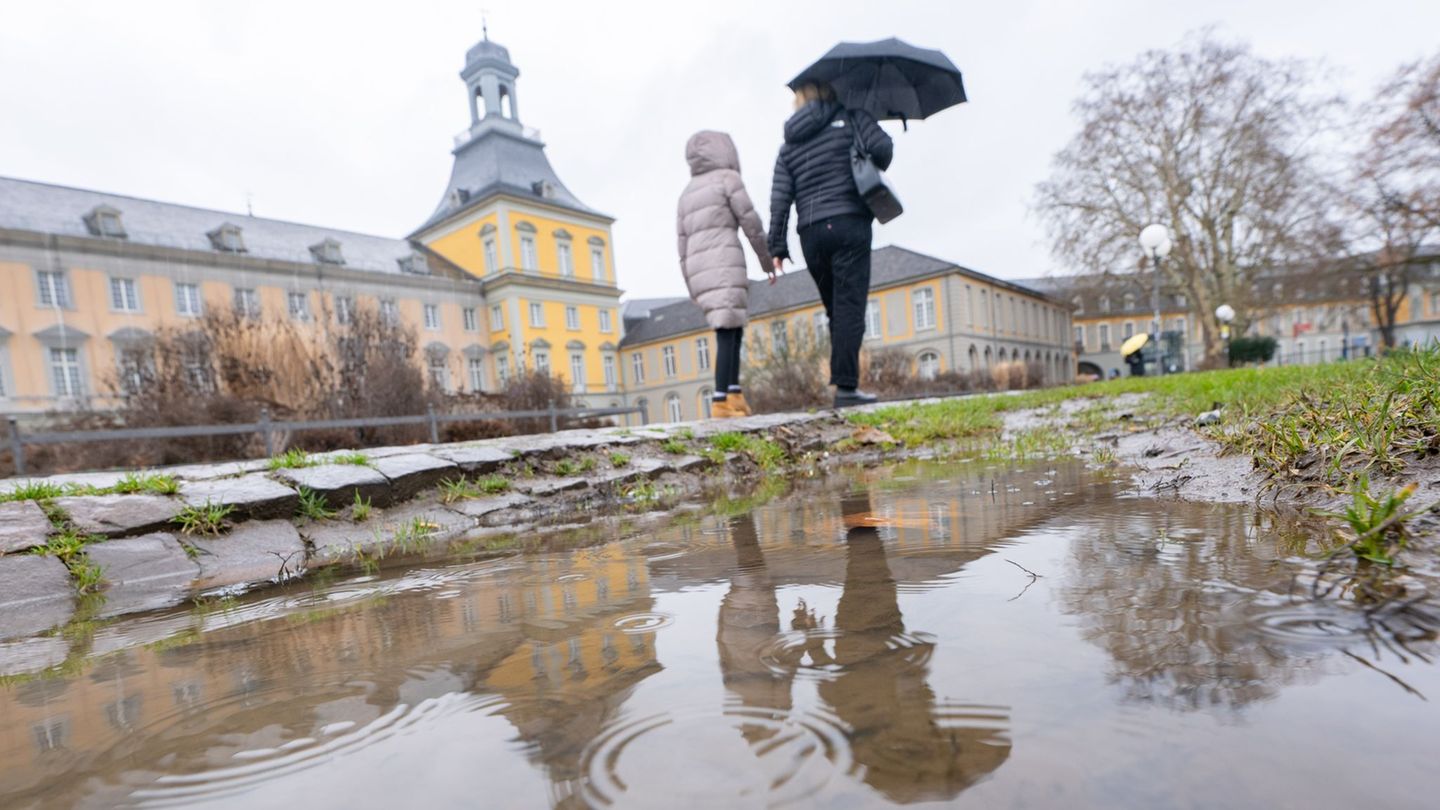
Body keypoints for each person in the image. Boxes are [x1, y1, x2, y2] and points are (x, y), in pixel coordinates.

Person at [768, 81, 894, 408]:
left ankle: (844, 384)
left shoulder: (788, 146)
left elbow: (780, 197)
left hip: (811, 234)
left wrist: (776, 247)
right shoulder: (852, 118)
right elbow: (882, 151)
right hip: (848, 222)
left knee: (835, 310)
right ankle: (846, 389)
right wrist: (866, 127)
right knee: (849, 307)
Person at [677, 130, 772, 418]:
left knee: (732, 324)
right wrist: (767, 260)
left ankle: (733, 392)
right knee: (728, 330)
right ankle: (720, 400)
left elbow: (681, 242)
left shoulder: (687, 193)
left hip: (698, 268)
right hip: (723, 259)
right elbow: (750, 222)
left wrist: (690, 283)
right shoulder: (727, 179)